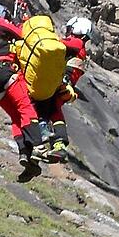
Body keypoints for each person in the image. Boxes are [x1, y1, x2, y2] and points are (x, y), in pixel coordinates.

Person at [0, 3, 49, 181]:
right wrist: (22, 20)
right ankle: (38, 146)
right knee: (25, 107)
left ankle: (25, 154)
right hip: (2, 70)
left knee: (16, 117)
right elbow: (22, 33)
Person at [33, 16, 92, 163]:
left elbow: (56, 44)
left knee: (39, 107)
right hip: (65, 88)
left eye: (70, 29)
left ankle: (39, 137)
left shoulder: (76, 42)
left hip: (58, 83)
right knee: (55, 113)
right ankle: (59, 145)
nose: (68, 32)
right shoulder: (81, 48)